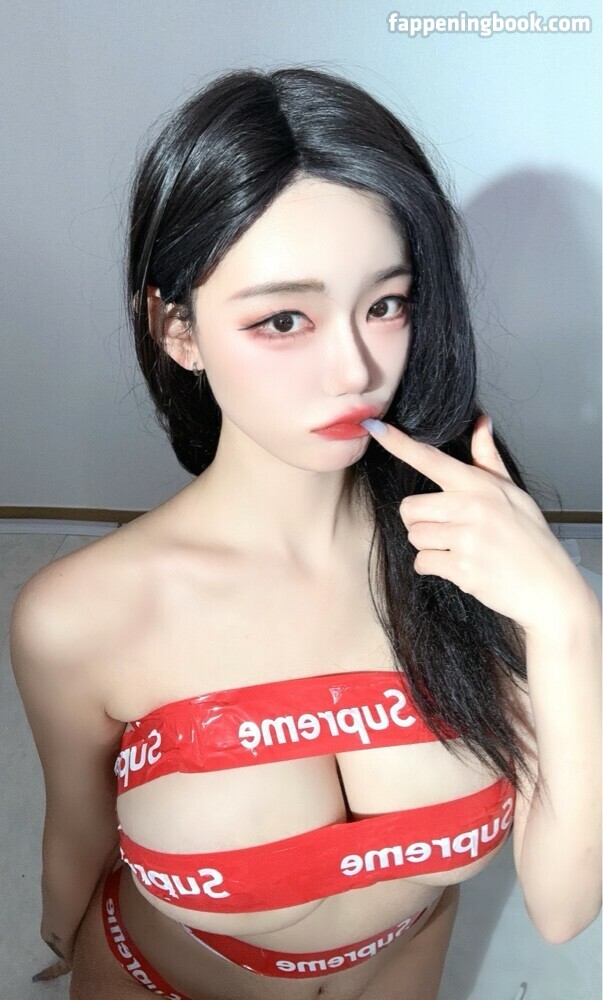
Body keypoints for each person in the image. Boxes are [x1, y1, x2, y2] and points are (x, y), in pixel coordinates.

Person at [11, 65, 601, 1000]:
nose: (354, 369)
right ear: (176, 329)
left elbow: (564, 908)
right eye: (284, 319)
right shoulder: (81, 614)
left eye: (386, 304)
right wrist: (58, 935)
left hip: (401, 969)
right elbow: (75, 837)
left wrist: (568, 622)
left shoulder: (469, 552)